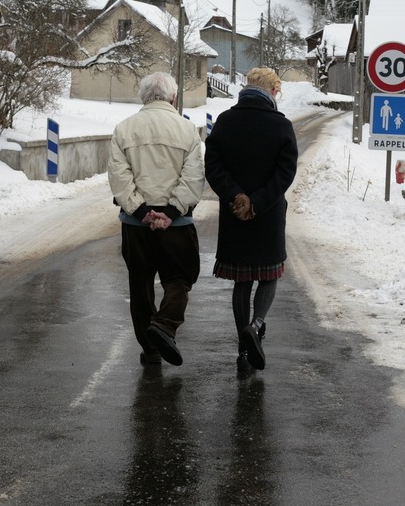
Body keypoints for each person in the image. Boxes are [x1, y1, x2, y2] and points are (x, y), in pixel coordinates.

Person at [204, 67, 298, 373]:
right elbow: (285, 174)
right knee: (269, 276)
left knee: (242, 282)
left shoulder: (225, 121)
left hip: (234, 216)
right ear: (272, 92)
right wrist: (256, 203)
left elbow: (214, 167)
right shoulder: (281, 126)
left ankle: (243, 350)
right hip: (267, 214)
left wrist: (237, 198)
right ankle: (256, 327)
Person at [108, 72, 205, 367]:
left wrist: (140, 212)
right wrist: (172, 212)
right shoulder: (187, 130)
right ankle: (165, 324)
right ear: (173, 98)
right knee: (180, 278)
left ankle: (150, 350)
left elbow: (118, 176)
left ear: (143, 96)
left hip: (136, 227)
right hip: (177, 226)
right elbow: (193, 176)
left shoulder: (124, 130)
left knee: (140, 285)